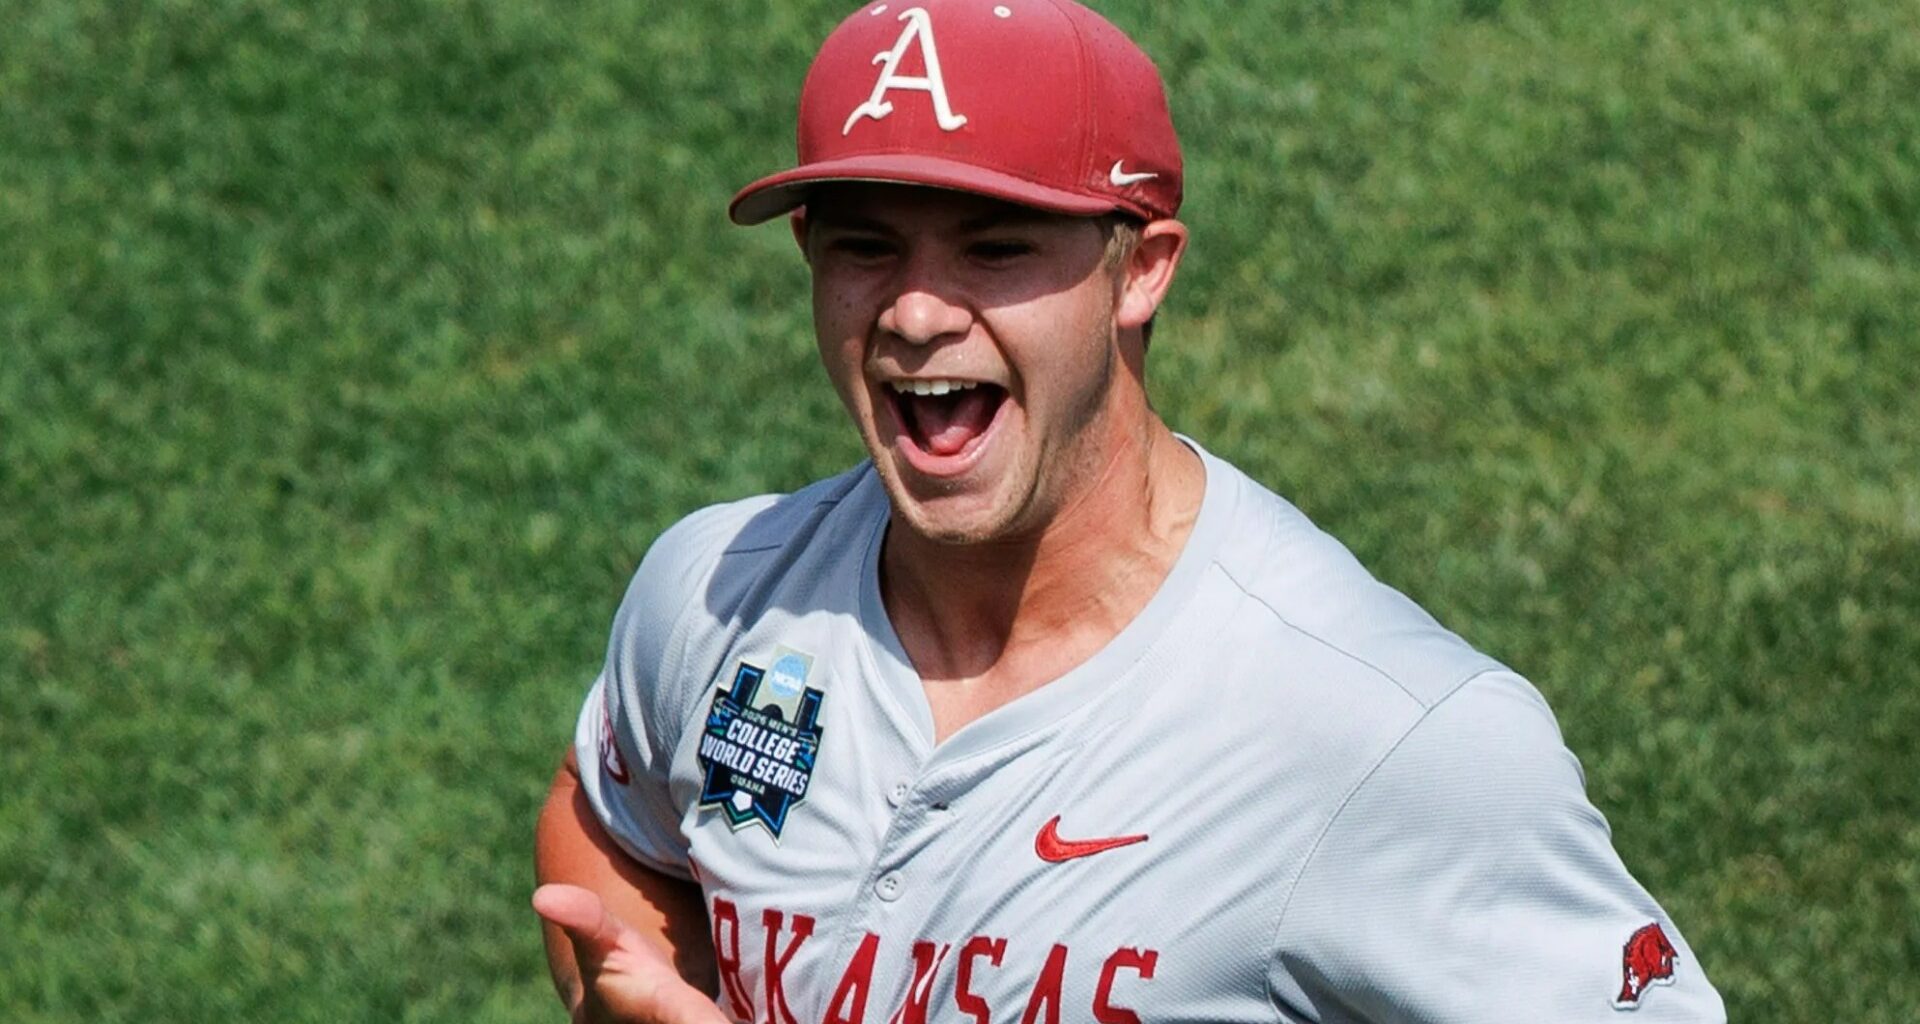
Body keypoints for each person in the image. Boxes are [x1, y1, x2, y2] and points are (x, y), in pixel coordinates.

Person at [532, 2, 1727, 1021]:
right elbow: (608, 818)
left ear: (1143, 268)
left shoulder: (1385, 736)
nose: (912, 314)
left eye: (995, 248)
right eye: (866, 248)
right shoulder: (715, 591)